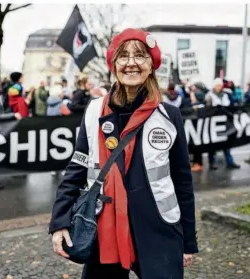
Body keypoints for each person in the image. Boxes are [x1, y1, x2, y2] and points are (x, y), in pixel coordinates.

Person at [50, 28, 198, 279]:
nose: (131, 63)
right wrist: (60, 220)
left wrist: (188, 241)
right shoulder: (94, 111)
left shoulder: (169, 116)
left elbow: (182, 181)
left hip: (158, 228)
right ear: (113, 65)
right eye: (123, 56)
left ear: (151, 65)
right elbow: (77, 167)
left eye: (140, 56)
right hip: (104, 226)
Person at [205, 78, 241, 170]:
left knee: (226, 143)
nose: (219, 87)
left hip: (225, 123)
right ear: (214, 86)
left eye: (220, 85)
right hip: (214, 124)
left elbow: (232, 105)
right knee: (212, 144)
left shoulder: (226, 95)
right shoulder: (209, 95)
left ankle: (230, 162)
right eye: (217, 85)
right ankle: (211, 162)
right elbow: (207, 109)